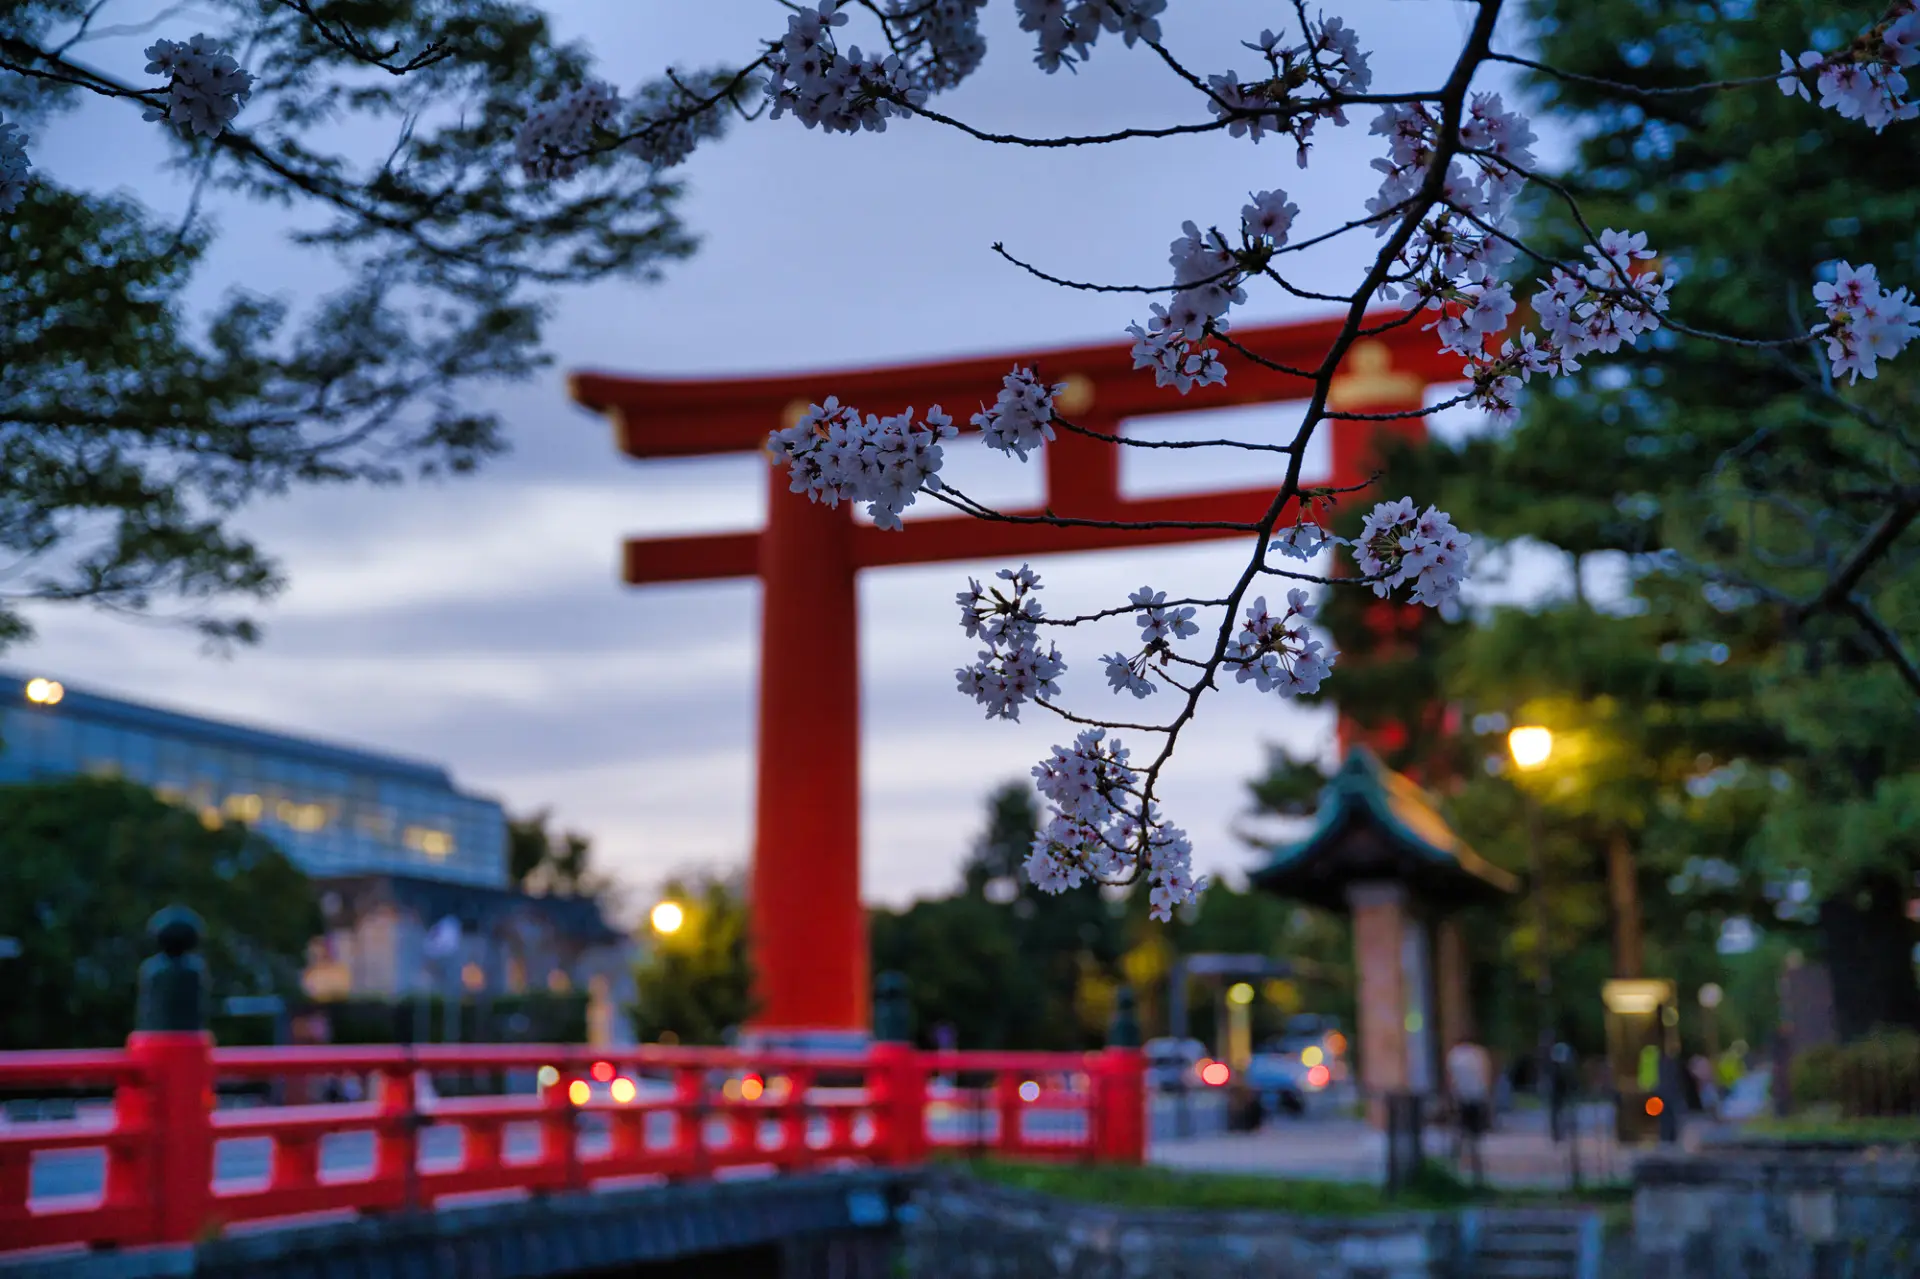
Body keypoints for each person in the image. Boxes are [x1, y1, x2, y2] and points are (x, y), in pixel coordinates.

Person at [1445, 1035, 1494, 1185]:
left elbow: (1451, 1080)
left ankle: (1454, 1163)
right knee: (1475, 1135)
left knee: (1459, 1132)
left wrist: (1452, 1097)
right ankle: (1476, 1168)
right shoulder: (1479, 1053)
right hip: (1478, 1096)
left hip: (1462, 1097)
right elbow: (1486, 1076)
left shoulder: (1454, 1055)